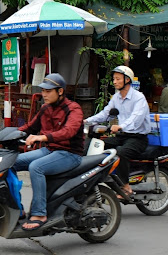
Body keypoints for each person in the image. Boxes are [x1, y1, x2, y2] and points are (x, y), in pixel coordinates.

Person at [14, 73, 85, 231]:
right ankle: (17, 209)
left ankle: (39, 213)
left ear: (60, 92)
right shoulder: (45, 108)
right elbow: (30, 127)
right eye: (43, 91)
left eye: (48, 91)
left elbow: (69, 131)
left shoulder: (74, 109)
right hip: (50, 150)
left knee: (36, 167)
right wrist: (8, 134)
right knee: (12, 162)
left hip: (70, 154)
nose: (44, 94)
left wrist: (43, 137)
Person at [85, 66, 150, 198]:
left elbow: (136, 118)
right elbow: (105, 114)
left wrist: (121, 126)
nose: (114, 82)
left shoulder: (139, 98)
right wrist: (86, 121)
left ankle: (125, 186)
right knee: (97, 145)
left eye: (118, 79)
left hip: (138, 138)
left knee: (121, 152)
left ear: (127, 80)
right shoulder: (116, 98)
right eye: (114, 79)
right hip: (122, 136)